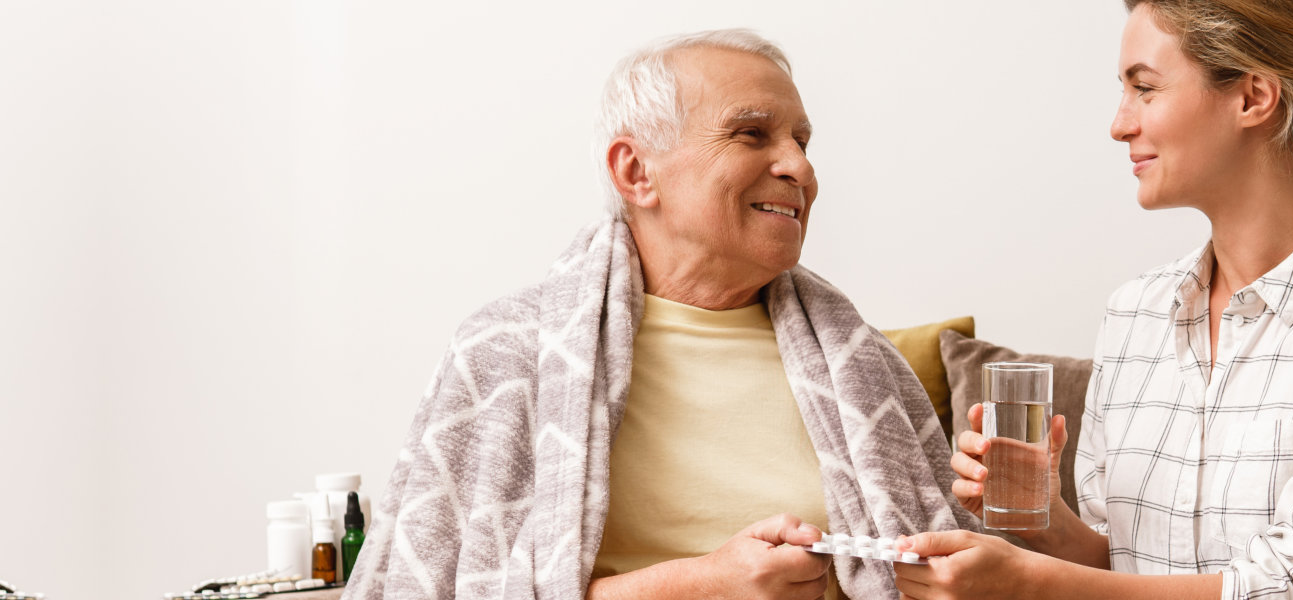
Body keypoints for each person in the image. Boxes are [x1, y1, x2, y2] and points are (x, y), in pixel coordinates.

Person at [344, 29, 976, 600]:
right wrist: (698, 587)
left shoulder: (866, 368)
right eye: (752, 133)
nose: (802, 168)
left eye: (802, 142)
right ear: (636, 172)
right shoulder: (507, 354)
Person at [894, 1, 1293, 599]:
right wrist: (1047, 521)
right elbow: (1130, 573)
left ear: (1253, 97)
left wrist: (1031, 584)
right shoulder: (1134, 315)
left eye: (1144, 89)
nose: (1119, 124)